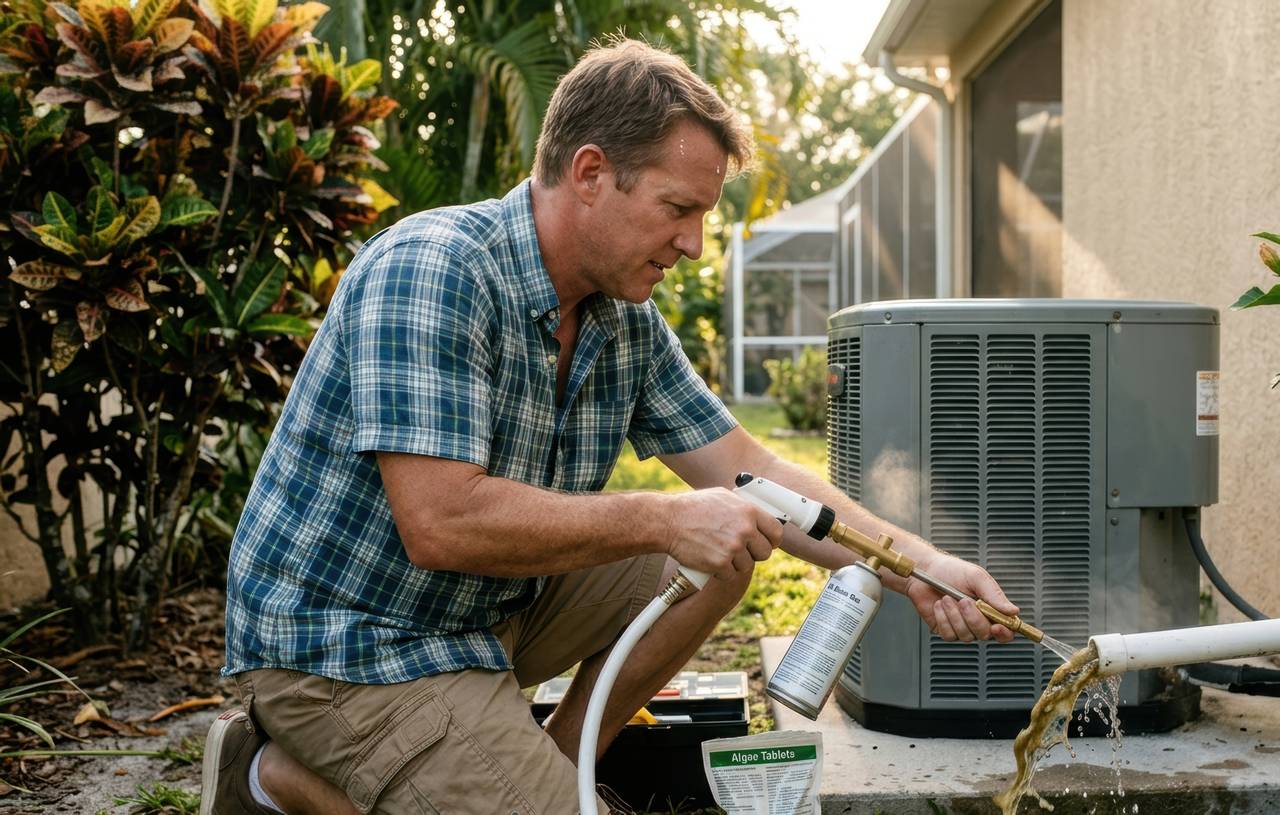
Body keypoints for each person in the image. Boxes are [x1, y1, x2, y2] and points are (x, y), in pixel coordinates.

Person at [202, 38, 1020, 815]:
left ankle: (560, 771)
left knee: (718, 550)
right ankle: (268, 777)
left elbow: (746, 465)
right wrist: (665, 514)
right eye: (678, 208)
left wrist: (918, 565)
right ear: (591, 172)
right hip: (349, 645)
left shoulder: (619, 316)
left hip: (481, 616)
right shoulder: (434, 269)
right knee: (685, 535)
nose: (695, 245)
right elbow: (441, 523)